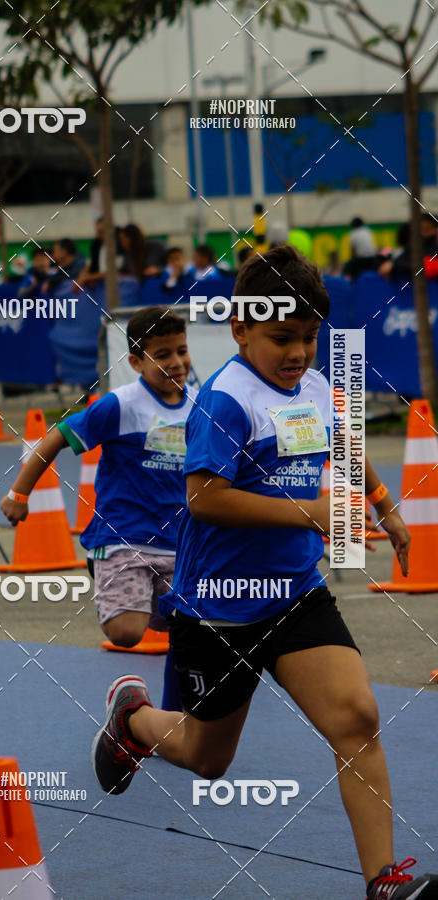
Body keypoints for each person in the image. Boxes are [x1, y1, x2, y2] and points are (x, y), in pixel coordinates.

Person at [91, 245, 438, 899]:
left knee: (358, 719)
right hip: (219, 605)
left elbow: (343, 442)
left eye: (309, 337)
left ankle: (384, 882)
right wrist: (309, 511)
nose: (299, 352)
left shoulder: (313, 387)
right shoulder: (226, 400)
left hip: (295, 596)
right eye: (283, 337)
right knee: (205, 757)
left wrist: (386, 508)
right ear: (241, 329)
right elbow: (203, 497)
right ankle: (133, 718)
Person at [0, 305, 197, 654]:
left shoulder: (200, 406)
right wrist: (19, 492)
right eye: (162, 355)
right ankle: (110, 571)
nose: (176, 362)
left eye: (181, 351)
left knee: (196, 630)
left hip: (179, 543)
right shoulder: (120, 405)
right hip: (124, 536)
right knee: (125, 632)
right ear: (136, 362)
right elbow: (58, 435)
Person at [379, 212, 438, 280]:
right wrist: (392, 266)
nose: (423, 233)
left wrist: (394, 267)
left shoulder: (432, 244)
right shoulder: (415, 244)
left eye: (427, 229)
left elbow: (424, 268)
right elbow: (399, 261)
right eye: (420, 229)